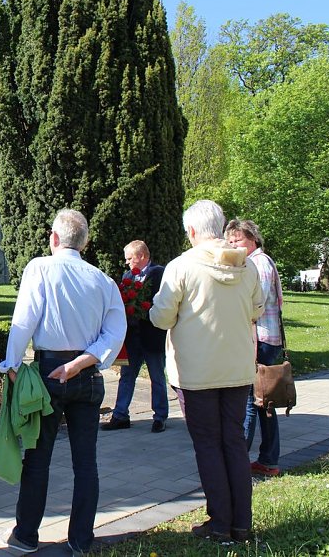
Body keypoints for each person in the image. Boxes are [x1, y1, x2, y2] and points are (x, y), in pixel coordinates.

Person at [0, 209, 126, 556]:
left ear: (53, 238)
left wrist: (11, 363)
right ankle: (81, 539)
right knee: (86, 462)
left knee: (38, 458)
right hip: (88, 374)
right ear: (85, 242)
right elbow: (115, 333)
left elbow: (25, 318)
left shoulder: (40, 267)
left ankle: (25, 535)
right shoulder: (102, 280)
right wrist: (81, 363)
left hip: (48, 371)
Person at [149, 200, 264, 544]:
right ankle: (240, 523)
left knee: (209, 446)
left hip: (196, 372)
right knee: (234, 443)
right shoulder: (247, 266)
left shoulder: (181, 266)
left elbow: (162, 317)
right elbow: (257, 310)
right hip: (238, 368)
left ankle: (220, 523)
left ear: (193, 231)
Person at [226, 219, 284, 477]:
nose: (233, 244)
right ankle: (268, 461)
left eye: (238, 239)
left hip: (258, 341)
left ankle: (238, 465)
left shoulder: (257, 264)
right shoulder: (263, 261)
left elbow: (252, 306)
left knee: (249, 402)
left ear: (253, 239)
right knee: (265, 403)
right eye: (230, 240)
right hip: (267, 339)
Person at [101, 240, 169, 433]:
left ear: (141, 256)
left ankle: (160, 416)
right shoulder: (127, 275)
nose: (127, 263)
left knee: (156, 376)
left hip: (151, 334)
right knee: (126, 375)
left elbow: (159, 301)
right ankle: (120, 415)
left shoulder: (158, 273)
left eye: (130, 258)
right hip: (132, 336)